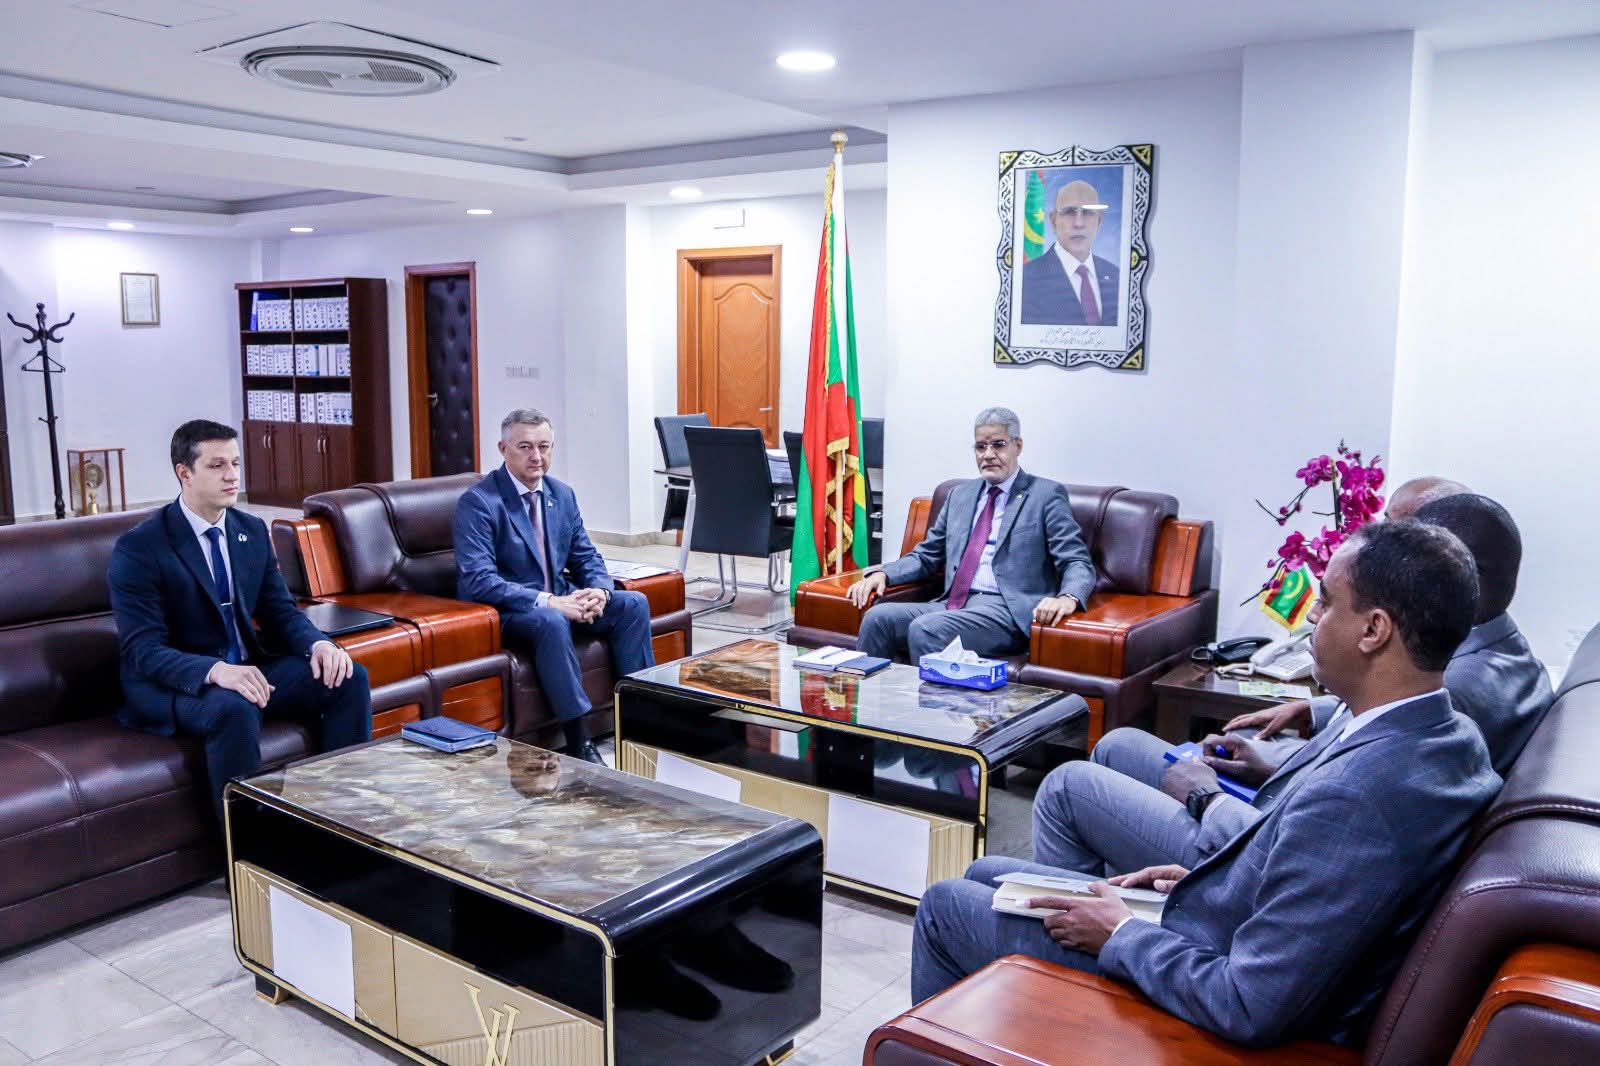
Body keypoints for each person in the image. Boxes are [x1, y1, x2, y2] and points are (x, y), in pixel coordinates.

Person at [911, 521, 1502, 1047]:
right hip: (1217, 928)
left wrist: (1120, 932)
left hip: (1202, 999)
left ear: (1373, 630)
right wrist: (1203, 881)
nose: (1311, 618)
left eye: (1325, 603)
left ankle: (1047, 1023)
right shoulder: (1447, 733)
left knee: (944, 907)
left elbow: (1247, 1004)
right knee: (988, 873)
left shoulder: (1359, 798)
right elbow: (1312, 888)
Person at [1054, 489, 1548, 874]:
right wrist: (1302, 725)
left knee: (1067, 785)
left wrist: (1206, 796)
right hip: (1279, 808)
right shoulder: (1492, 658)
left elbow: (1318, 829)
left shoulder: (1457, 695)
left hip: (1256, 844)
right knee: (1116, 745)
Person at [108, 420, 370, 819]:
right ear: (184, 473)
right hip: (178, 683)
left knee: (347, 676)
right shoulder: (141, 547)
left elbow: (280, 611)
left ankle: (342, 820)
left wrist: (318, 643)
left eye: (235, 463)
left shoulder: (250, 530)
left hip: (247, 669)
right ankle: (246, 849)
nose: (232, 475)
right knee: (234, 708)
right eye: (217, 466)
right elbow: (143, 649)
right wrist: (215, 671)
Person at [454, 408, 654, 764]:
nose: (537, 456)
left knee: (632, 603)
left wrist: (599, 591)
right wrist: (549, 601)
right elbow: (478, 580)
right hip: (512, 612)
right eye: (525, 447)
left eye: (544, 447)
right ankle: (579, 740)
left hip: (563, 601)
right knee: (551, 620)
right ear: (503, 449)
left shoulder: (561, 494)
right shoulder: (480, 502)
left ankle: (642, 720)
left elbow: (585, 556)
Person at [845, 407, 1094, 663]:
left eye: (998, 445)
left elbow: (1076, 560)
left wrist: (1068, 597)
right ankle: (870, 690)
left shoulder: (1045, 495)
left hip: (1006, 611)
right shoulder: (960, 495)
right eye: (980, 447)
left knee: (927, 628)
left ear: (1017, 446)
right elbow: (926, 555)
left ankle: (931, 692)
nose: (988, 455)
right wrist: (884, 574)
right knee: (878, 618)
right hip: (952, 604)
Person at [1020, 180, 1120, 327]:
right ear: (1054, 221)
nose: (1079, 223)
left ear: (1099, 220)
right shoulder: (1024, 281)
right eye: (1069, 212)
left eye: (1088, 212)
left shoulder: (1117, 276)